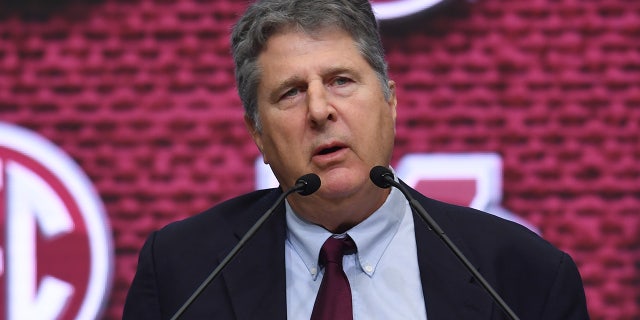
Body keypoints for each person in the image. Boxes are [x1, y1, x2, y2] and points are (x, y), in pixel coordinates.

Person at [123, 0, 589, 319]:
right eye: (290, 93)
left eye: (342, 80)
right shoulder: (183, 271)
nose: (320, 109)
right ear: (258, 135)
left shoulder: (524, 275)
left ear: (390, 101)